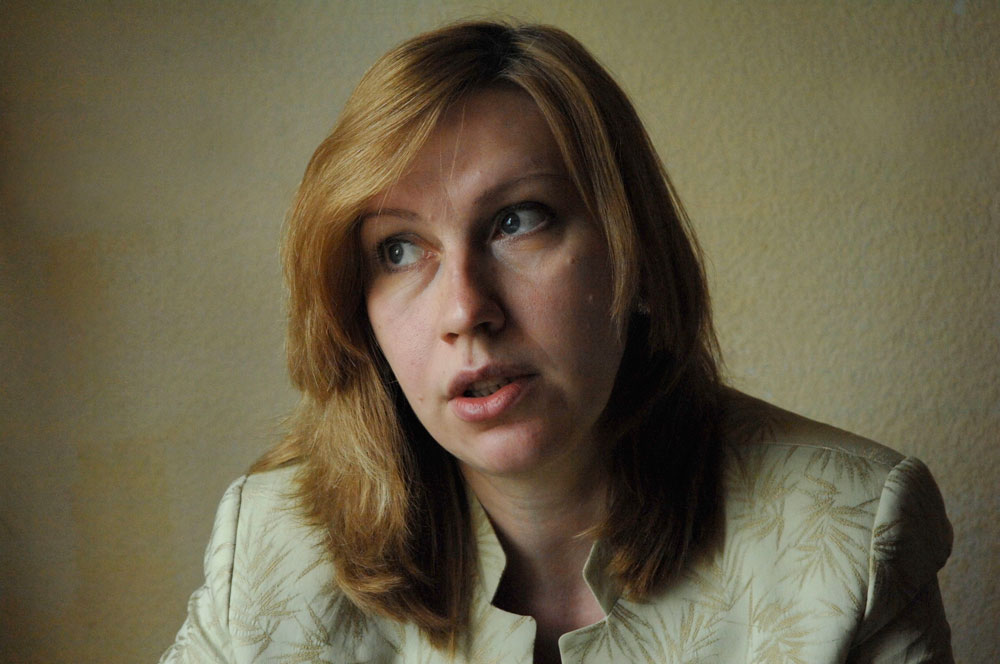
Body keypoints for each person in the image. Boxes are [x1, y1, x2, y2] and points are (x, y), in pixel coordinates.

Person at [161, 20, 953, 664]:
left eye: (518, 220)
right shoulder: (273, 542)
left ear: (635, 253)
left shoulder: (852, 531)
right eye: (399, 249)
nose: (465, 309)